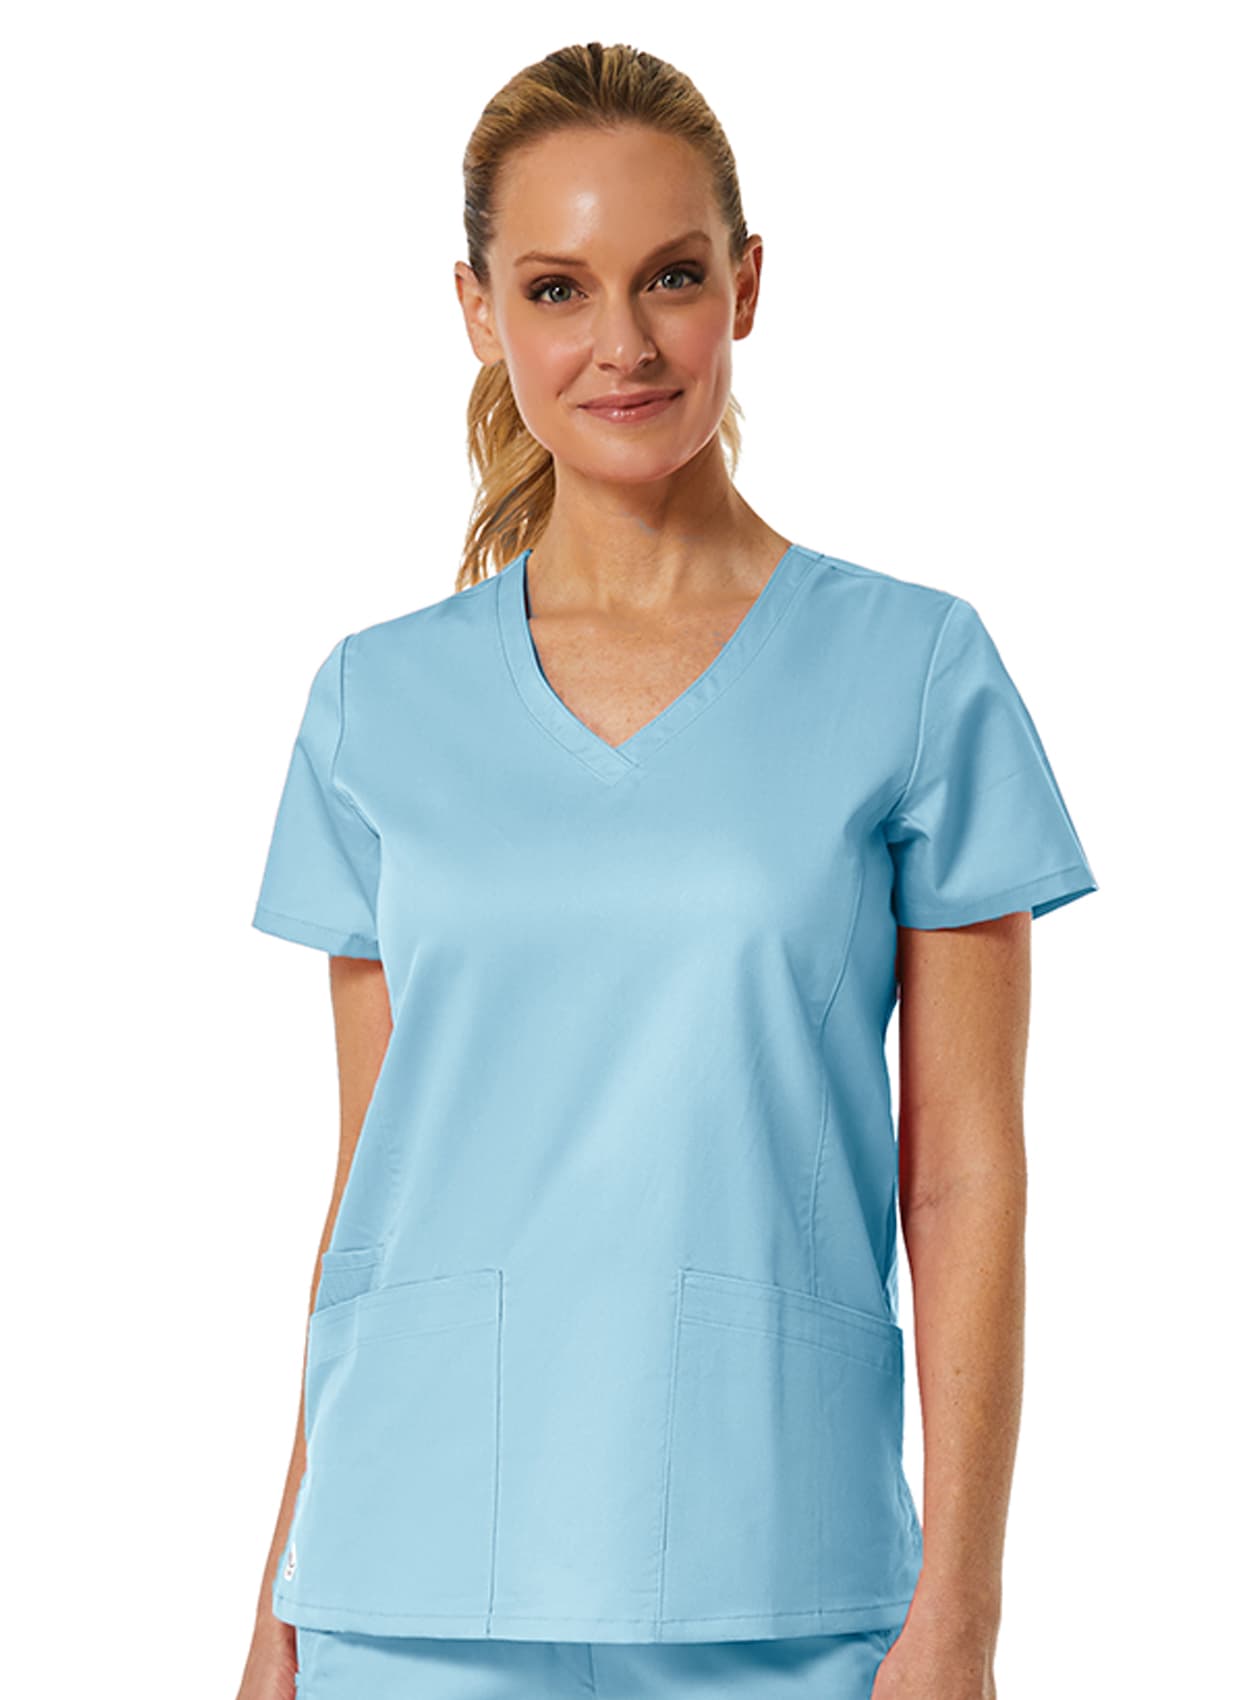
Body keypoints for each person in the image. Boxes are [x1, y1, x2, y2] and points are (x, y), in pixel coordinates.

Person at [235, 39, 1098, 1700]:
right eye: (556, 289)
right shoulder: (372, 702)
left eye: (672, 277)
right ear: (478, 311)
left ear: (746, 285)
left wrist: (961, 1615)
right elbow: (369, 1200)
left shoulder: (914, 671)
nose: (620, 343)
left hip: (779, 1575)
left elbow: (963, 1175)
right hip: (402, 1583)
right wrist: (279, 1612)